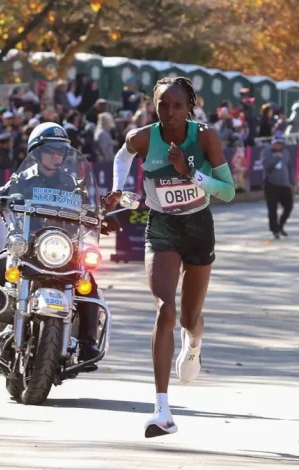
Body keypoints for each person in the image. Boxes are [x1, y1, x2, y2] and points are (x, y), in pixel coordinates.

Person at [104, 76, 236, 438]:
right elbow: (123, 153)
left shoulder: (205, 137)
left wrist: (190, 172)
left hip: (198, 228)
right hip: (161, 226)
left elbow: (228, 191)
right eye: (163, 105)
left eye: (177, 106)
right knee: (166, 308)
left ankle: (193, 343)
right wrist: (118, 189)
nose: (170, 112)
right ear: (154, 106)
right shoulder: (144, 136)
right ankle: (162, 410)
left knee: (190, 317)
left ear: (189, 106)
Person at [0, 122, 115, 363]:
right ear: (37, 153)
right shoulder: (22, 179)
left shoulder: (73, 183)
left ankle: (89, 341)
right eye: (50, 150)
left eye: (61, 151)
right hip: (29, 245)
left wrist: (101, 217)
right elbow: (2, 196)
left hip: (63, 248)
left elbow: (89, 208)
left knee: (88, 283)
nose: (56, 155)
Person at [261, 131, 295, 239]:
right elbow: (266, 165)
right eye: (276, 143)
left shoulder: (286, 153)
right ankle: (274, 229)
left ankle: (281, 225)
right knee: (272, 209)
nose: (278, 145)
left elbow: (290, 168)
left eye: (280, 143)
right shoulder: (266, 152)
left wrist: (292, 181)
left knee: (289, 206)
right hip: (271, 185)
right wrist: (276, 157)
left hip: (284, 185)